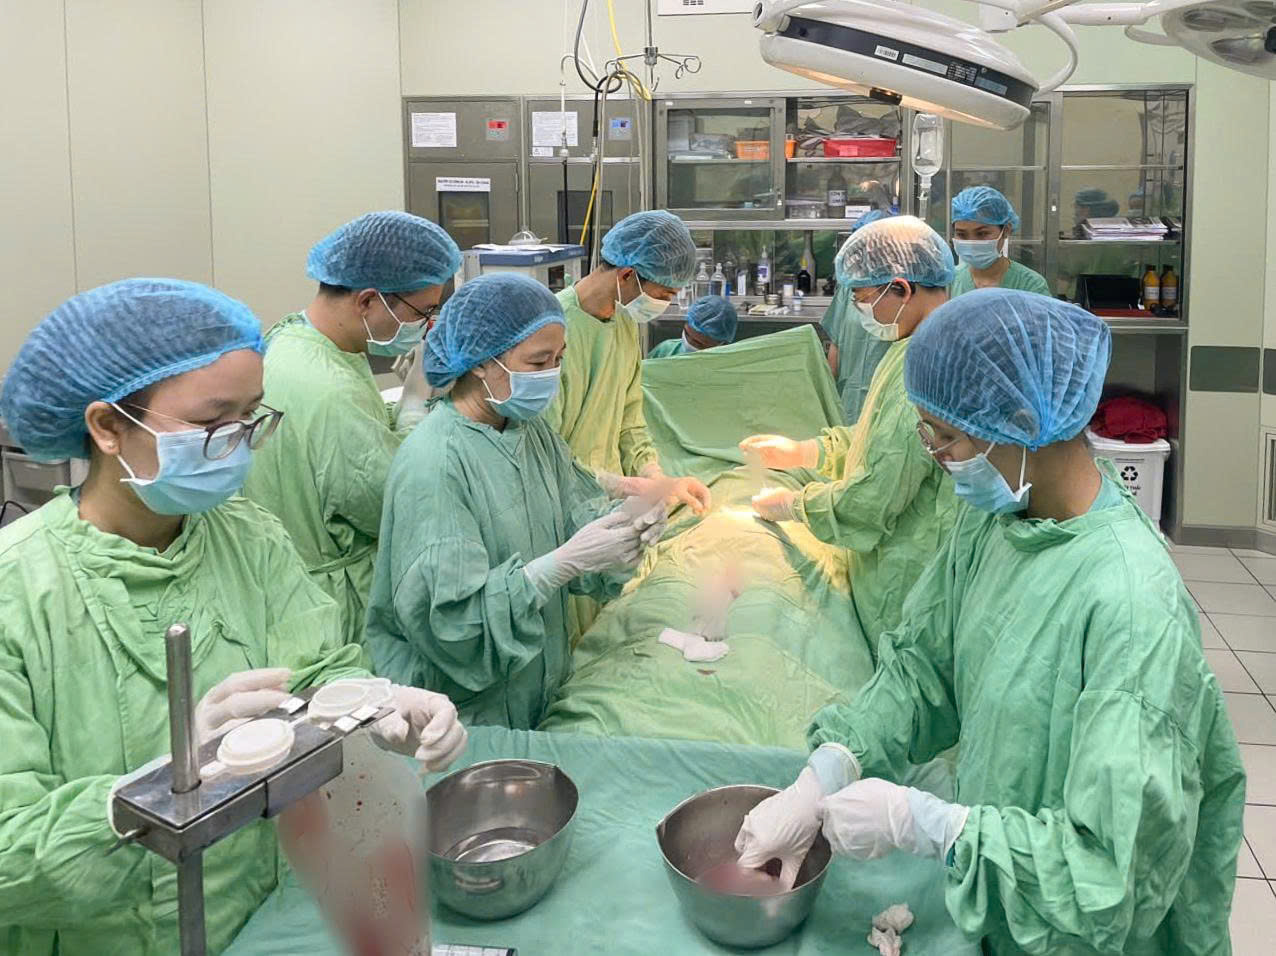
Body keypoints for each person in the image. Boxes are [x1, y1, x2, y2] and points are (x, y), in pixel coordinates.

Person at [735, 290, 1245, 954]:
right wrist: (829, 770)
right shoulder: (998, 520)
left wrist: (934, 826)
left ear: (1021, 421)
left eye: (945, 438)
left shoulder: (1128, 607)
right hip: (1008, 906)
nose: (935, 456)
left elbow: (1110, 877)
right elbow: (925, 665)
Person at [0, 279, 467, 955]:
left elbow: (316, 669)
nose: (239, 444)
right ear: (107, 427)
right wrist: (157, 789)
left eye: (251, 417)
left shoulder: (248, 537)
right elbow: (9, 855)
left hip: (256, 913)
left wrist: (376, 705)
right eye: (211, 423)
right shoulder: (17, 593)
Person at [366, 273, 666, 730]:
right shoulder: (436, 463)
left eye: (559, 359)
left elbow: (575, 514)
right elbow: (453, 628)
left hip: (535, 686)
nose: (551, 375)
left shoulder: (528, 430)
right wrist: (555, 568)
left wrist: (627, 525)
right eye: (538, 361)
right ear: (481, 362)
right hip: (463, 716)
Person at [242, 211, 461, 650]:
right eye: (424, 311)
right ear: (367, 301)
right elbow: (391, 500)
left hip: (277, 585)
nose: (429, 325)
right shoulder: (331, 391)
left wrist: (393, 411)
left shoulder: (293, 338)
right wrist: (415, 406)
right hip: (327, 606)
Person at [740, 217, 959, 651]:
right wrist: (807, 451)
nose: (860, 314)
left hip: (908, 578)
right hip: (899, 564)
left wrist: (793, 505)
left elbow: (874, 496)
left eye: (862, 300)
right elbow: (881, 436)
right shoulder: (915, 345)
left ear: (901, 289)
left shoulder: (928, 361)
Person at [545, 210, 710, 513]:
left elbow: (630, 418)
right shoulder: (551, 331)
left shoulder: (624, 321)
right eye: (664, 294)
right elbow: (544, 453)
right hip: (559, 503)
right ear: (626, 275)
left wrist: (653, 476)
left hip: (607, 501)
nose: (666, 304)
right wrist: (626, 486)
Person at [821, 209, 895, 424]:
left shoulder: (901, 290)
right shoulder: (849, 287)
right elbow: (836, 343)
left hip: (888, 403)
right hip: (849, 400)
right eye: (861, 247)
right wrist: (827, 397)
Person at [948, 186, 1049, 297]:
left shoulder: (1030, 285)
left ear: (1006, 230)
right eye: (961, 234)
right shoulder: (949, 282)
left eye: (982, 234)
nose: (972, 242)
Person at [646, 294, 738, 358]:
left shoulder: (730, 365)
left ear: (722, 344)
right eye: (686, 334)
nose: (689, 343)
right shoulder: (665, 351)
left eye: (698, 343)